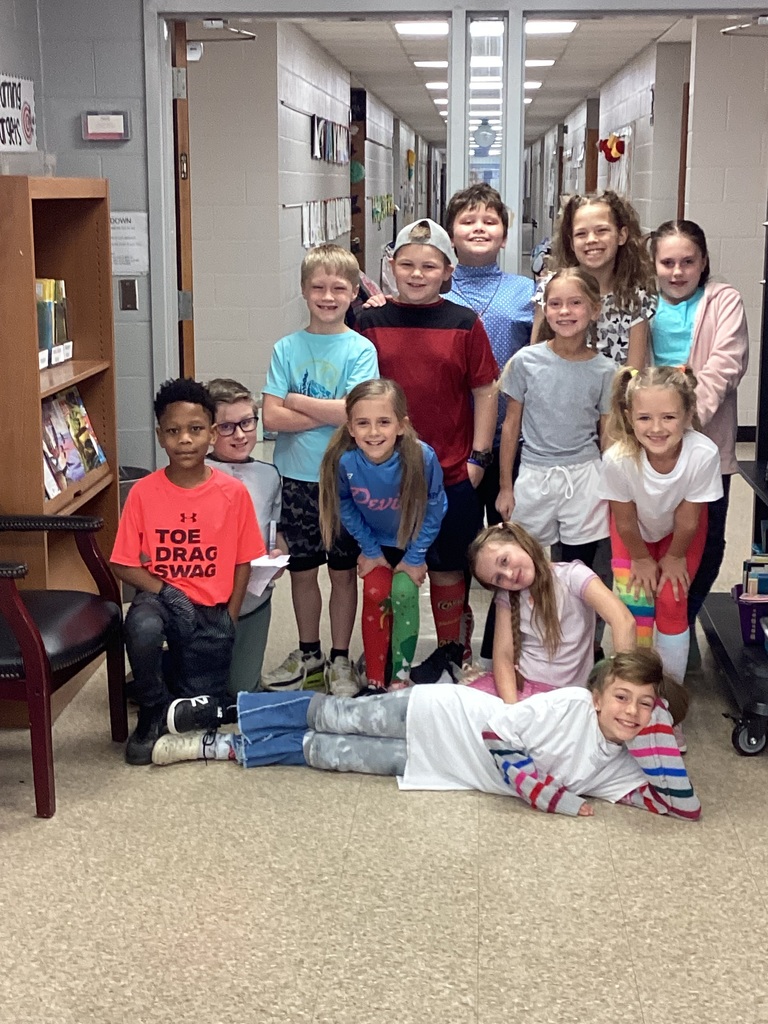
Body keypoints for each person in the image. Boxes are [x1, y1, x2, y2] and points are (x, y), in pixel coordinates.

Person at [151, 649, 701, 823]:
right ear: (600, 694)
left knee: (332, 755)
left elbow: (682, 807)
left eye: (644, 708)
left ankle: (220, 748)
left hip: (438, 768)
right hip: (439, 715)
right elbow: (500, 741)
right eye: (622, 698)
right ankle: (227, 709)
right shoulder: (572, 705)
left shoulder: (622, 766)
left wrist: (657, 730)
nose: (630, 713)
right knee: (336, 716)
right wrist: (559, 801)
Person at [355, 218, 498, 674]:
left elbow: (485, 390)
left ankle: (452, 650)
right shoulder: (368, 320)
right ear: (391, 266)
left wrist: (479, 457)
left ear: (448, 271)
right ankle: (387, 660)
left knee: (447, 568)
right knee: (390, 572)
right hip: (384, 472)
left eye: (429, 266)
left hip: (452, 471)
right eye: (407, 265)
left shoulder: (464, 323)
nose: (417, 275)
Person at [110, 378, 265, 765]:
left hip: (210, 612)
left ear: (211, 435)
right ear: (161, 436)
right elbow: (122, 562)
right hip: (162, 602)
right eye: (174, 431)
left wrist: (229, 617)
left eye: (195, 430)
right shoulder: (143, 492)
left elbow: (243, 560)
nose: (184, 440)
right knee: (141, 625)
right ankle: (150, 712)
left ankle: (172, 691)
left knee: (201, 712)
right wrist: (166, 591)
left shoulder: (233, 494)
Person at [261, 244, 379, 696]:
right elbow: (270, 419)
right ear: (303, 291)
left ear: (354, 294)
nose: (327, 297)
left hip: (344, 479)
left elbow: (358, 412)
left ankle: (340, 658)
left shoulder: (361, 349)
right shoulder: (286, 348)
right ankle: (309, 653)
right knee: (304, 569)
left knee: (343, 571)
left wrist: (295, 400)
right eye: (318, 288)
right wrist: (333, 412)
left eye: (338, 288)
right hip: (296, 478)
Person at [597, 366, 723, 748]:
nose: (657, 428)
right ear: (628, 416)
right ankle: (629, 704)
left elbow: (688, 519)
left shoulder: (703, 453)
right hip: (632, 535)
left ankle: (665, 709)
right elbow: (623, 518)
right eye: (645, 418)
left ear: (687, 416)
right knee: (635, 613)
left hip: (681, 538)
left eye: (669, 417)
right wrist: (639, 558)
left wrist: (673, 558)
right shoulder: (618, 458)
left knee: (671, 604)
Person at [648, 219, 749, 632]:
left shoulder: (723, 300)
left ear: (703, 261)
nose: (677, 272)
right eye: (667, 262)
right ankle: (653, 624)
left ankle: (681, 622)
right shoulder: (643, 304)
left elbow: (725, 365)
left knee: (706, 544)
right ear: (652, 264)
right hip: (650, 443)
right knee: (657, 535)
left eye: (687, 261)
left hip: (707, 441)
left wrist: (683, 423)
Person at [318, 378, 447, 692]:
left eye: (383, 422)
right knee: (375, 594)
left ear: (401, 426)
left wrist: (416, 557)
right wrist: (370, 549)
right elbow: (345, 505)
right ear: (350, 427)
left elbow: (435, 508)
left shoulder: (422, 458)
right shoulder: (345, 461)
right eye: (363, 423)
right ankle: (375, 679)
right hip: (375, 544)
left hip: (412, 543)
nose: (373, 432)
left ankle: (399, 679)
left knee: (403, 594)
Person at [496, 268, 615, 570]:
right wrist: (506, 486)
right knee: (525, 566)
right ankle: (524, 619)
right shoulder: (525, 361)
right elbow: (510, 427)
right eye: (555, 304)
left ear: (594, 309)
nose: (565, 311)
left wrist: (615, 489)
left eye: (575, 303)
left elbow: (608, 435)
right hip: (535, 474)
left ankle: (573, 619)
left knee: (578, 568)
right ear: (545, 309)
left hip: (585, 476)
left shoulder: (606, 370)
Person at [444, 183, 534, 527]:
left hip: (513, 435)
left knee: (509, 536)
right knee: (459, 539)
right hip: (457, 439)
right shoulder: (436, 294)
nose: (479, 227)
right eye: (468, 221)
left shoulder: (527, 293)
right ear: (451, 236)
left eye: (490, 221)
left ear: (505, 237)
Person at [467, 522, 636, 704]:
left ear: (519, 542)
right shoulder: (506, 597)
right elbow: (503, 656)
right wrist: (513, 710)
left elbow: (624, 621)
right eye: (498, 579)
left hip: (569, 697)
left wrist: (623, 683)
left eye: (504, 560)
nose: (508, 574)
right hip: (522, 689)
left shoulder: (573, 576)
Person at [205, 377, 283, 695]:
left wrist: (277, 556)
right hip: (206, 600)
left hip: (252, 597)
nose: (240, 435)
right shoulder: (197, 473)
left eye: (247, 423)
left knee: (241, 693)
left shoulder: (269, 475)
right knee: (200, 692)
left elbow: (274, 534)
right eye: (226, 427)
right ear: (209, 432)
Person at [532, 190, 657, 369]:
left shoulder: (635, 298)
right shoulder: (549, 288)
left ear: (621, 235)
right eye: (581, 234)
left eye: (602, 231)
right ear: (571, 242)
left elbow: (633, 373)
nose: (591, 240)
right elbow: (534, 358)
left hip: (615, 394)